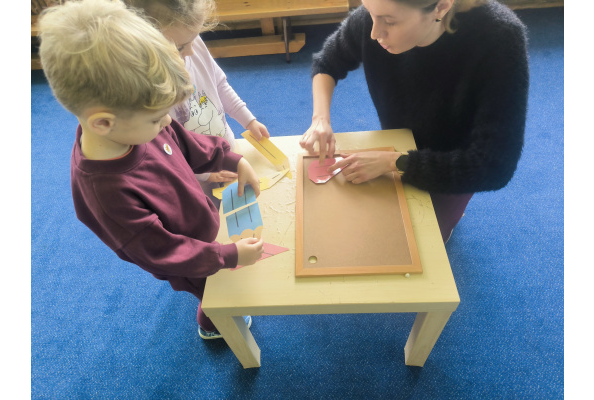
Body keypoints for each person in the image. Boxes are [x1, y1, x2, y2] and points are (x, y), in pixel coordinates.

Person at [38, 0, 264, 340]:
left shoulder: (133, 122)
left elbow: (184, 141)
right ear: (103, 123)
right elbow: (163, 251)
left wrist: (230, 159)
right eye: (158, 118)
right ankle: (212, 324)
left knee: (219, 273)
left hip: (198, 220)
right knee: (212, 290)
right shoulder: (107, 193)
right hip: (185, 256)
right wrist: (226, 255)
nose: (167, 123)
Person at [300, 0, 529, 242]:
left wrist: (394, 162)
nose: (374, 33)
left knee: (422, 242)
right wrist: (320, 119)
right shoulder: (376, 14)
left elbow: (494, 166)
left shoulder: (498, 39)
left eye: (389, 21)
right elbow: (327, 62)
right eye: (370, 13)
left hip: (453, 166)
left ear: (441, 7)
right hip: (399, 144)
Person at [123, 0, 271, 208]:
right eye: (180, 47)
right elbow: (166, 146)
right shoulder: (151, 86)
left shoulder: (191, 43)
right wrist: (205, 175)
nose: (191, 51)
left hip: (225, 154)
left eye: (195, 37)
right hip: (194, 175)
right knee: (210, 215)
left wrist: (248, 120)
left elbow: (219, 85)